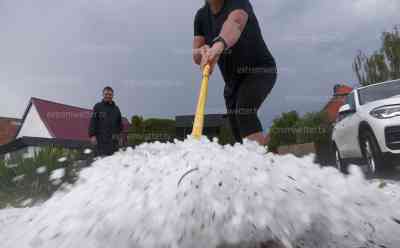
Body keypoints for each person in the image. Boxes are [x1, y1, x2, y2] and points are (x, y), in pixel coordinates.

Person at [193, 0, 277, 146]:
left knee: (244, 110)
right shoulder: (201, 17)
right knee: (239, 134)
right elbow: (196, 54)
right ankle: (264, 155)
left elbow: (235, 23)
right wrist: (202, 51)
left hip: (260, 70)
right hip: (232, 84)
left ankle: (260, 162)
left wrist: (218, 45)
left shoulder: (239, 3)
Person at [89, 86, 123, 156]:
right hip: (101, 141)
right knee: (101, 163)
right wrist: (92, 135)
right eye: (106, 94)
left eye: (110, 94)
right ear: (103, 95)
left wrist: (120, 136)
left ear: (112, 95)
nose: (108, 96)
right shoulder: (98, 106)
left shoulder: (116, 109)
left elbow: (119, 123)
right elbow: (93, 121)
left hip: (114, 142)